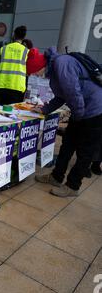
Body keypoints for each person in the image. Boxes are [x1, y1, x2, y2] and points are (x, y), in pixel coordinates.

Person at [27, 47, 102, 197]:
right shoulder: (55, 68)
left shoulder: (62, 64)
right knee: (67, 145)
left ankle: (72, 186)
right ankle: (56, 177)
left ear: (40, 67)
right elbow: (62, 96)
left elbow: (73, 94)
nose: (34, 75)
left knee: (84, 151)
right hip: (81, 111)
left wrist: (78, 118)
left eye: (34, 72)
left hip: (94, 111)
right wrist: (44, 110)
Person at [0, 25, 29, 106]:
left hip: (1, 85)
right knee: (13, 115)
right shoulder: (26, 51)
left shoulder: (3, 48)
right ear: (24, 37)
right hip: (17, 87)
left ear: (14, 35)